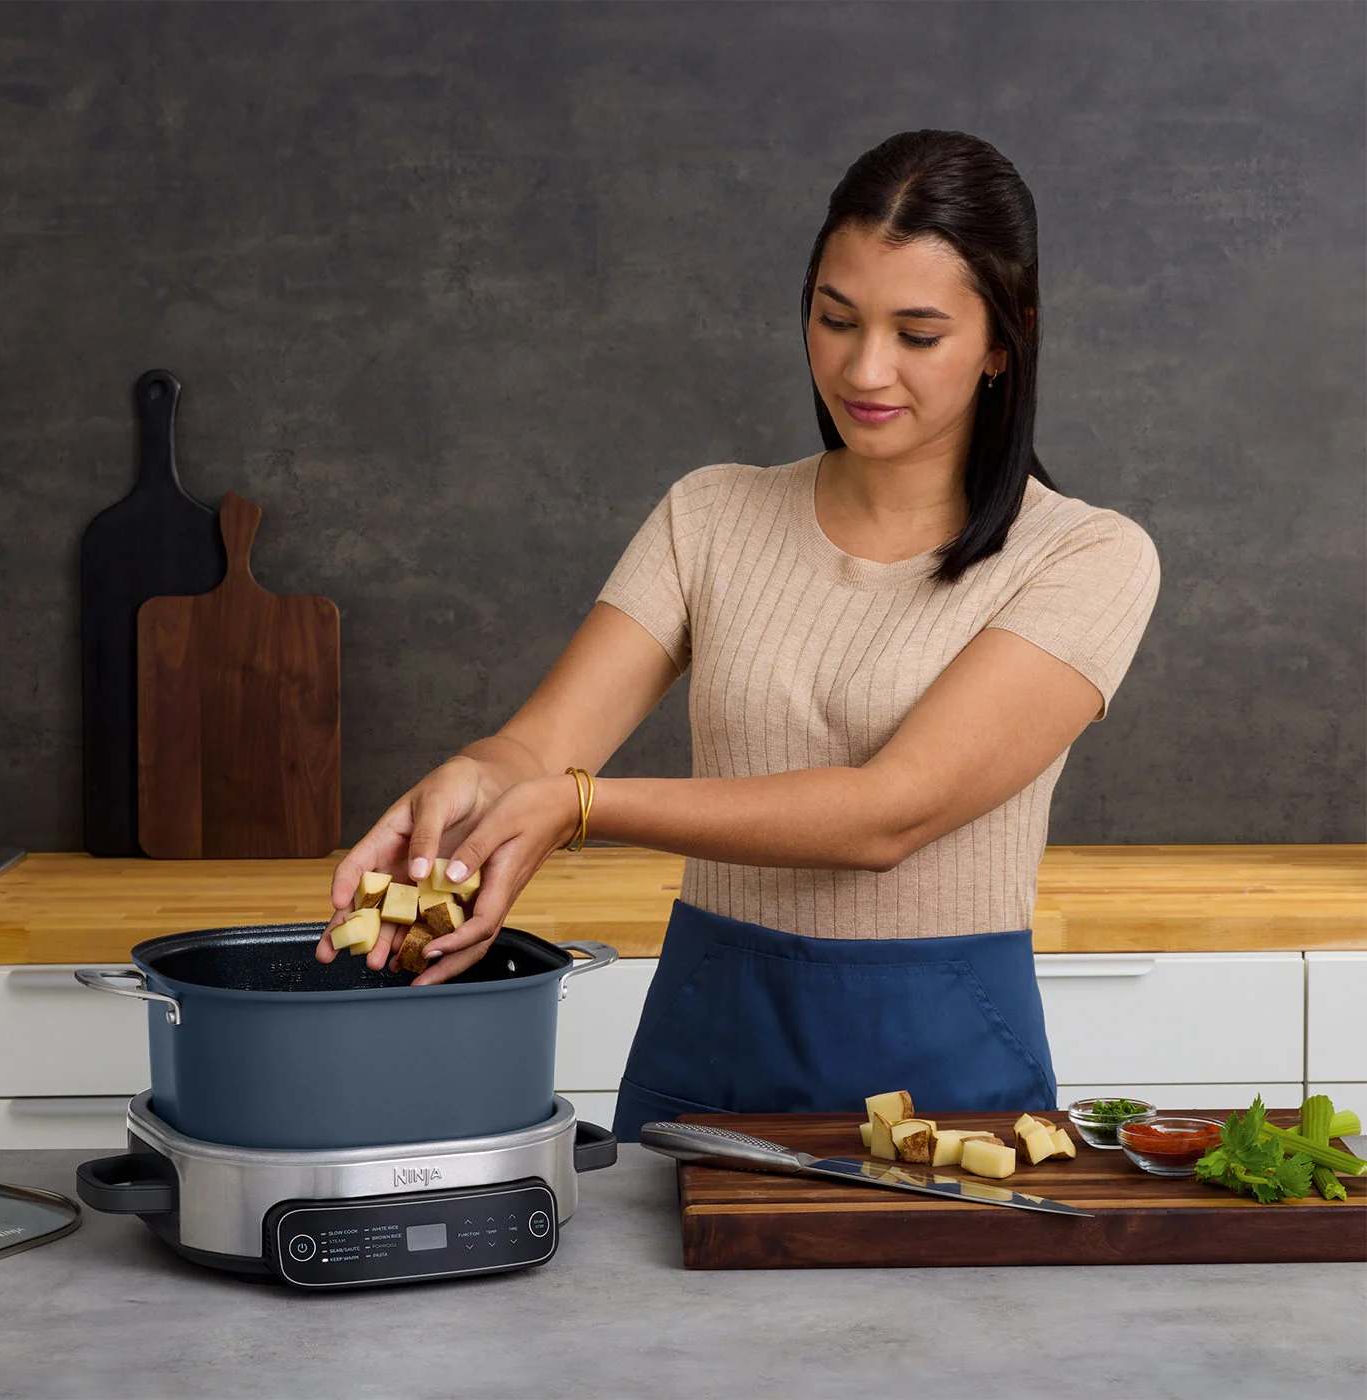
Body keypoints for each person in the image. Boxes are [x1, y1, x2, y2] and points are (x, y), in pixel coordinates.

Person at [316, 129, 1161, 1143]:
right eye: (834, 317)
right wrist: (467, 782)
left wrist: (579, 808)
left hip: (943, 1078)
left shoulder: (1083, 556)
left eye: (917, 332)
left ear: (1002, 338)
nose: (863, 367)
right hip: (706, 1051)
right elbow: (542, 746)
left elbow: (886, 813)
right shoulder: (709, 514)